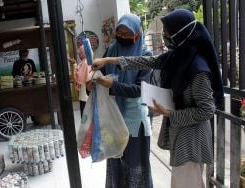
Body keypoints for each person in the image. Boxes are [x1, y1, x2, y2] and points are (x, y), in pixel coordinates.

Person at [91, 9, 224, 188]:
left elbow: (207, 110)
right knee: (180, 182)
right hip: (182, 135)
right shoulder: (179, 57)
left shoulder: (197, 69)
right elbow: (146, 61)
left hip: (193, 140)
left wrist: (170, 114)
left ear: (180, 34)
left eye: (167, 32)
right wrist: (108, 60)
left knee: (187, 183)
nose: (164, 36)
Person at [90, 14, 154, 187]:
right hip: (113, 118)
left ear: (138, 33)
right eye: (120, 33)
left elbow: (140, 90)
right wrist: (92, 82)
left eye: (128, 33)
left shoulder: (145, 55)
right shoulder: (111, 51)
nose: (124, 37)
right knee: (116, 162)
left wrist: (111, 85)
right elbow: (99, 77)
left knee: (134, 163)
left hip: (134, 122)